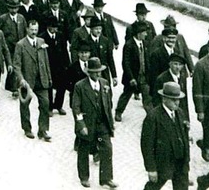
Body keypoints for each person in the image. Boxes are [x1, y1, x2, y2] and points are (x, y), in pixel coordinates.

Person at [72, 57, 118, 189]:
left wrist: (110, 121)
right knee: (84, 150)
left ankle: (106, 178)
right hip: (87, 124)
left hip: (102, 124)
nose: (98, 74)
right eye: (95, 72)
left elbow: (108, 104)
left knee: (107, 149)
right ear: (88, 72)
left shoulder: (104, 84)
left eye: (100, 71)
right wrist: (81, 125)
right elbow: (76, 107)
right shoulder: (80, 86)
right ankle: (84, 177)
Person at [141, 82, 191, 190]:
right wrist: (151, 169)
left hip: (180, 161)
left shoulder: (180, 113)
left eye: (178, 99)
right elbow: (147, 145)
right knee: (153, 187)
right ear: (164, 99)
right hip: (163, 162)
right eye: (173, 99)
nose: (177, 102)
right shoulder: (153, 117)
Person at [13, 20, 52, 141]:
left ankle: (43, 130)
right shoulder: (20, 45)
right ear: (27, 29)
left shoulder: (41, 42)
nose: (34, 32)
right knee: (25, 105)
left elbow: (46, 62)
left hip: (41, 79)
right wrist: (21, 79)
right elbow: (16, 65)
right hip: (27, 81)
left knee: (45, 104)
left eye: (36, 29)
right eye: (32, 29)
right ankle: (27, 128)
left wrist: (49, 77)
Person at [115, 20, 151, 122]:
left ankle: (151, 117)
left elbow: (147, 59)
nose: (146, 34)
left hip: (143, 76)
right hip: (133, 76)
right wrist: (131, 78)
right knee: (126, 94)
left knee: (147, 97)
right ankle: (119, 112)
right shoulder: (129, 45)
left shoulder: (145, 44)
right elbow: (125, 63)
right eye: (144, 32)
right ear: (139, 33)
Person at [40, 15, 69, 116]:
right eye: (53, 27)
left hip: (60, 66)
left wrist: (67, 64)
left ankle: (59, 105)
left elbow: (65, 51)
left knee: (62, 86)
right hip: (48, 66)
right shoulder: (42, 37)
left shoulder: (60, 36)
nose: (55, 29)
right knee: (49, 87)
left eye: (56, 27)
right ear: (48, 27)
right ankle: (49, 107)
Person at [0, 0, 27, 98]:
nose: (13, 10)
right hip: (8, 47)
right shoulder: (3, 18)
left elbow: (24, 31)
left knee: (18, 66)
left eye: (15, 8)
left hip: (19, 46)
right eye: (11, 8)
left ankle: (12, 86)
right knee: (12, 66)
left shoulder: (21, 18)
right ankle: (14, 88)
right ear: (8, 8)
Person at [153, 53, 189, 121]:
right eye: (175, 64)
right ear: (170, 64)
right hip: (165, 114)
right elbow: (156, 100)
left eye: (180, 65)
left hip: (179, 114)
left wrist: (186, 118)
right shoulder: (162, 79)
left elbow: (184, 100)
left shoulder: (182, 78)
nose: (178, 67)